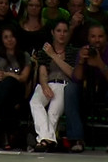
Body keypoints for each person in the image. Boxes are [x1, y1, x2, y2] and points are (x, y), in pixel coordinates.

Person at [65, 21, 108, 152]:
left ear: (106, 37)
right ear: (88, 38)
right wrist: (81, 62)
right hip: (87, 90)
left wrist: (100, 64)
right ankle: (77, 139)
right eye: (93, 36)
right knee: (70, 89)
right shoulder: (84, 51)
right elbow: (76, 78)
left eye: (100, 36)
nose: (97, 40)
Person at [27, 18, 75, 151]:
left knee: (53, 112)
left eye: (65, 31)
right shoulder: (45, 51)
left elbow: (71, 73)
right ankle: (48, 140)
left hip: (63, 85)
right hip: (47, 83)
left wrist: (53, 55)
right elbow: (42, 71)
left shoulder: (72, 51)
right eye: (59, 31)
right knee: (35, 102)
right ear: (53, 32)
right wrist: (44, 85)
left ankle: (43, 141)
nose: (62, 34)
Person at [0, 25, 32, 148]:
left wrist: (7, 74)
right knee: (4, 96)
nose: (9, 40)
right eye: (6, 37)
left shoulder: (25, 55)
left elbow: (23, 78)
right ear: (2, 40)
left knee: (9, 83)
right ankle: (6, 137)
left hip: (17, 89)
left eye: (12, 37)